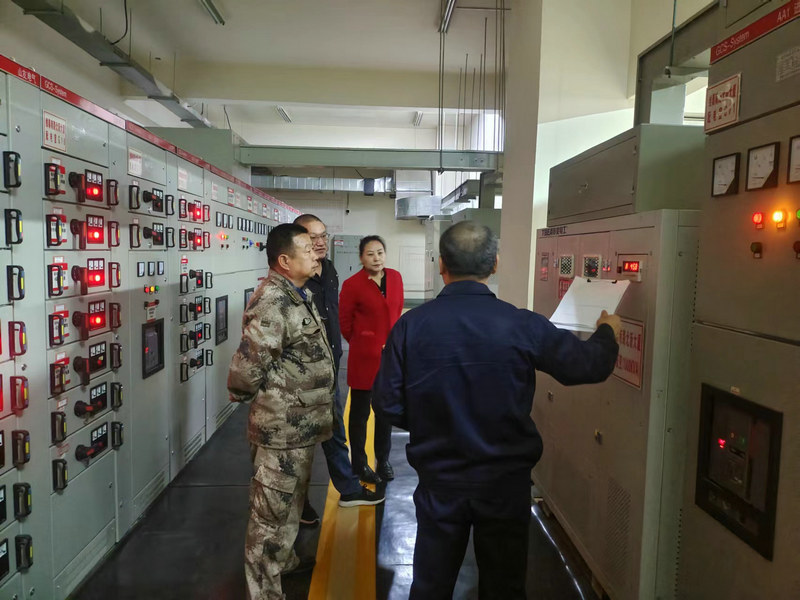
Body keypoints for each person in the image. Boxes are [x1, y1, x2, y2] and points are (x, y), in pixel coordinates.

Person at [373, 221, 621, 600]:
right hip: (505, 484)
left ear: (442, 265)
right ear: (495, 264)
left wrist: (430, 423)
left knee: (431, 585)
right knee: (504, 587)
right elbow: (588, 366)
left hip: (440, 481)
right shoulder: (522, 325)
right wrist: (607, 332)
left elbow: (386, 402)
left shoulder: (411, 326)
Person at [227, 223, 335, 600]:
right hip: (281, 429)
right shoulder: (274, 300)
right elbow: (248, 366)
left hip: (300, 427)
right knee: (269, 517)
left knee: (289, 504)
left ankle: (283, 561)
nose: (316, 253)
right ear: (285, 261)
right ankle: (264, 592)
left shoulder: (296, 294)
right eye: (307, 248)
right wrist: (243, 394)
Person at [292, 214, 384, 524]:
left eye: (323, 235)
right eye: (312, 237)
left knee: (333, 430)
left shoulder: (328, 269)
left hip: (330, 365)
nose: (320, 242)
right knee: (301, 445)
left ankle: (348, 488)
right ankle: (299, 504)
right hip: (302, 374)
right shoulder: (293, 278)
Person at [339, 235, 404, 484]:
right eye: (370, 254)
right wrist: (364, 339)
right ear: (361, 257)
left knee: (385, 412)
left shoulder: (395, 277)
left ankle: (383, 460)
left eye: (380, 253)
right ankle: (359, 464)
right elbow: (345, 323)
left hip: (390, 357)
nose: (376, 258)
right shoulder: (352, 284)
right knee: (360, 414)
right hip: (364, 357)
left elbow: (396, 311)